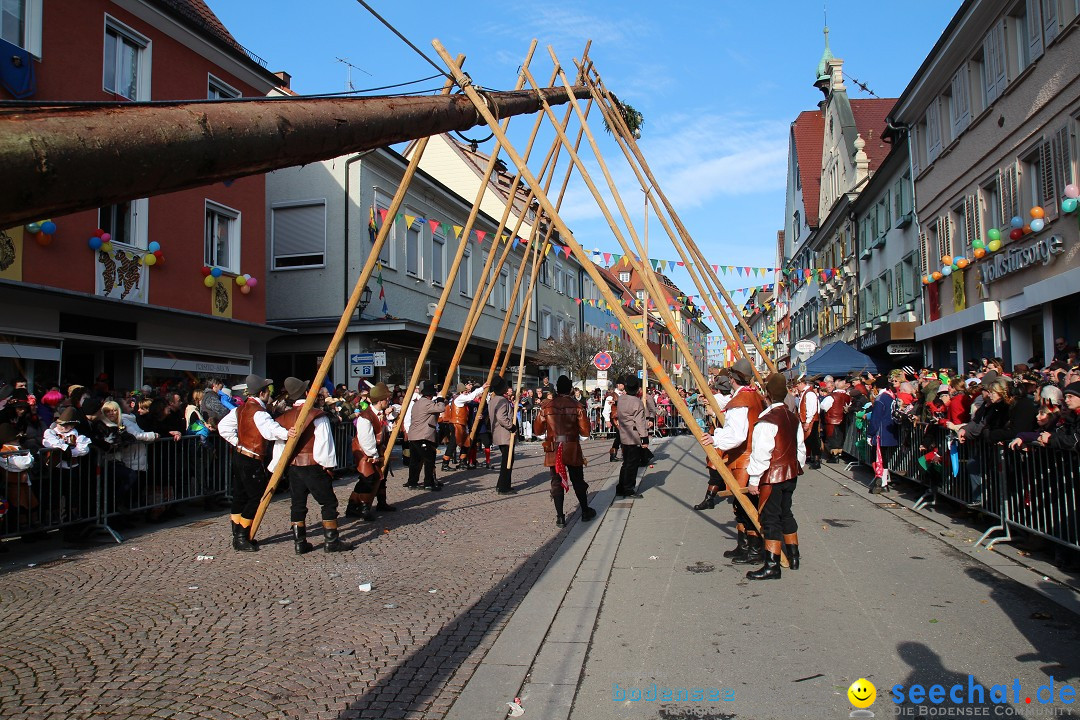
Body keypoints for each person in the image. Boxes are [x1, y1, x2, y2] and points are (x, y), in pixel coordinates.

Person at [697, 358, 766, 565]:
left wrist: (715, 438)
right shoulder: (754, 395)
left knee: (745, 505)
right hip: (750, 455)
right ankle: (744, 546)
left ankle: (754, 551)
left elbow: (737, 434)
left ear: (733, 379)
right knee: (741, 505)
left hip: (744, 458)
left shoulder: (740, 401)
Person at [270, 377, 349, 555]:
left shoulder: (284, 418)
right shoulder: (316, 415)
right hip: (313, 465)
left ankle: (300, 543)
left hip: (293, 467)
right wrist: (328, 466)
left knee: (297, 505)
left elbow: (280, 446)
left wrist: (279, 467)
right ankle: (331, 541)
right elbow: (324, 442)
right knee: (328, 502)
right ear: (307, 393)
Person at [217, 374, 295, 552]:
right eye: (267, 391)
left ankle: (237, 534)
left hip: (239, 455)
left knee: (240, 496)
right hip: (250, 458)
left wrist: (237, 442)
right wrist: (287, 433)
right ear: (262, 393)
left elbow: (223, 428)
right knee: (255, 497)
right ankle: (242, 536)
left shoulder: (240, 409)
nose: (269, 394)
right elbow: (269, 431)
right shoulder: (258, 412)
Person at [745, 373, 806, 580]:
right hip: (791, 473)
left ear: (767, 395)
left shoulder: (767, 421)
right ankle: (794, 557)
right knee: (786, 513)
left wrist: (754, 480)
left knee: (770, 518)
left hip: (772, 476)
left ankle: (772, 566)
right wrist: (796, 467)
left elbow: (761, 454)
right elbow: (800, 449)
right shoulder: (792, 417)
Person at [533, 375, 596, 527]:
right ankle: (585, 511)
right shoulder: (577, 406)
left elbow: (537, 430)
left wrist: (548, 434)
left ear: (556, 389)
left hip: (554, 447)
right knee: (578, 480)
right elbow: (586, 432)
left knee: (556, 482)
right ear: (570, 389)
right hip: (571, 446)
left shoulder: (546, 406)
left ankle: (560, 517)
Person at [347, 382, 396, 520]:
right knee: (367, 479)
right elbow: (366, 439)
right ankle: (358, 508)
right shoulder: (365, 417)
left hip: (377, 451)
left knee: (381, 478)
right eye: (386, 399)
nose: (388, 401)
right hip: (364, 453)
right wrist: (373, 455)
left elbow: (384, 430)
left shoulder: (380, 414)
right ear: (380, 401)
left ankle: (381, 503)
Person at [404, 379, 446, 490]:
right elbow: (441, 408)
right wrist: (441, 400)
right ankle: (428, 483)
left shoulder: (417, 403)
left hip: (414, 435)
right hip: (424, 436)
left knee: (415, 461)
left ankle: (412, 482)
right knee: (429, 460)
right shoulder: (427, 403)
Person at [866, 374, 899, 494]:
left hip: (881, 433)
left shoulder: (880, 399)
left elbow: (875, 419)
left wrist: (870, 434)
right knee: (884, 459)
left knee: (878, 458)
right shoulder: (892, 396)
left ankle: (882, 482)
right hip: (890, 431)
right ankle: (884, 482)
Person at [615, 376, 646, 498]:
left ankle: (621, 487)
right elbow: (640, 422)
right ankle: (629, 488)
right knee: (632, 464)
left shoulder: (621, 399)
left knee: (626, 463)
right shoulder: (637, 402)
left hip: (624, 434)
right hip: (633, 435)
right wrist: (644, 438)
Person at [489, 374, 517, 494]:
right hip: (504, 434)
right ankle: (503, 487)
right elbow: (501, 417)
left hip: (499, 434)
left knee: (507, 460)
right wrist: (511, 426)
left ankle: (503, 484)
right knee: (507, 461)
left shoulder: (493, 400)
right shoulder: (501, 400)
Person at [820, 376, 852, 463]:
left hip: (832, 420)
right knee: (840, 438)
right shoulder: (847, 396)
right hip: (843, 420)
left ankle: (834, 457)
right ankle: (837, 455)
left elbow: (823, 406)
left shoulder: (832, 396)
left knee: (832, 438)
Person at [796, 375, 821, 469]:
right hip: (807, 420)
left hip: (811, 421)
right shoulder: (805, 393)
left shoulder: (809, 394)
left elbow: (812, 409)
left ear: (802, 383)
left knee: (814, 440)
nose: (797, 387)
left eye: (797, 384)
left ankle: (817, 460)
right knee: (810, 440)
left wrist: (808, 421)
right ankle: (812, 457)